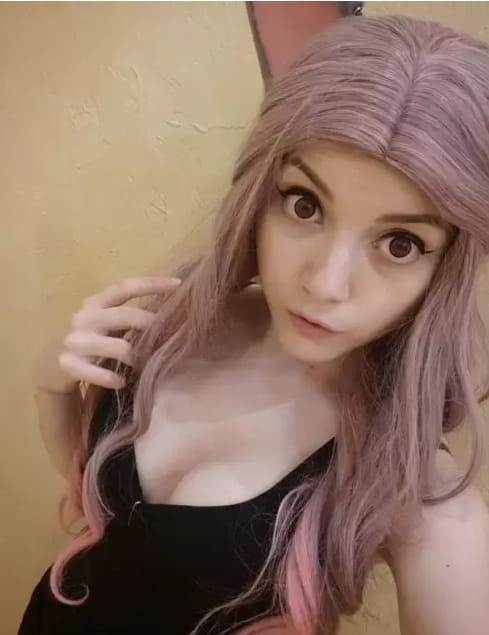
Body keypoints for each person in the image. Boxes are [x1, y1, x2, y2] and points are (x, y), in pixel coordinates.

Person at [18, 13, 489, 635]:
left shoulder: (420, 493)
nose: (325, 284)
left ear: (447, 266)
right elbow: (97, 503)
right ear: (261, 194)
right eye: (305, 204)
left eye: (400, 243)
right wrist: (51, 387)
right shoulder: (172, 322)